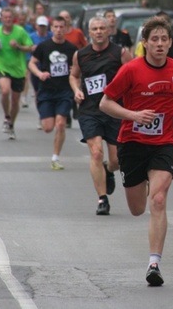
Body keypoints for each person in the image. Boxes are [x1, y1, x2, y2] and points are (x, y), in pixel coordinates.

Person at [99, 16, 173, 286]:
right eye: (153, 39)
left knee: (158, 200)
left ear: (170, 43)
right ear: (144, 43)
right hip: (132, 143)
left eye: (163, 39)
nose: (159, 44)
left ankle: (154, 263)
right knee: (136, 208)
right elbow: (105, 103)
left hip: (163, 144)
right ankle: (137, 179)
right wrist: (133, 115)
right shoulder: (130, 70)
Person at [70, 16, 132, 214]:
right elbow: (74, 75)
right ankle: (102, 199)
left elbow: (133, 78)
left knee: (117, 160)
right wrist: (76, 91)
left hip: (114, 110)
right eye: (94, 28)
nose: (98, 32)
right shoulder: (80, 55)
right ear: (89, 32)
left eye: (101, 28)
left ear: (108, 31)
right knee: (96, 152)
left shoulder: (120, 53)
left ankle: (108, 170)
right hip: (90, 110)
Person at [28, 16, 78, 170]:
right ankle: (54, 152)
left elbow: (78, 69)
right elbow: (31, 63)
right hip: (46, 91)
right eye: (55, 27)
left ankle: (55, 157)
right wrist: (39, 74)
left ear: (66, 28)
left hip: (64, 91)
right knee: (48, 127)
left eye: (61, 27)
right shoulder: (44, 46)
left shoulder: (72, 49)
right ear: (51, 29)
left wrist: (75, 72)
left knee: (61, 123)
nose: (58, 30)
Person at [0, 8, 34, 140]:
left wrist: (19, 46)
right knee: (4, 91)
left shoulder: (20, 31)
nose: (8, 20)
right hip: (1, 66)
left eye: (10, 17)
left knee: (15, 101)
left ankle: (11, 124)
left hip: (18, 69)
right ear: (1, 19)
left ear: (13, 19)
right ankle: (6, 116)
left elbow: (30, 47)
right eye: (5, 17)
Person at [27, 16, 53, 115]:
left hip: (50, 68)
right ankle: (41, 115)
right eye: (40, 26)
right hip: (37, 69)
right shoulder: (31, 37)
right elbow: (27, 50)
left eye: (44, 26)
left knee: (50, 92)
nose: (42, 28)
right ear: (36, 26)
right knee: (38, 93)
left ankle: (49, 112)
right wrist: (31, 48)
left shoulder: (51, 36)